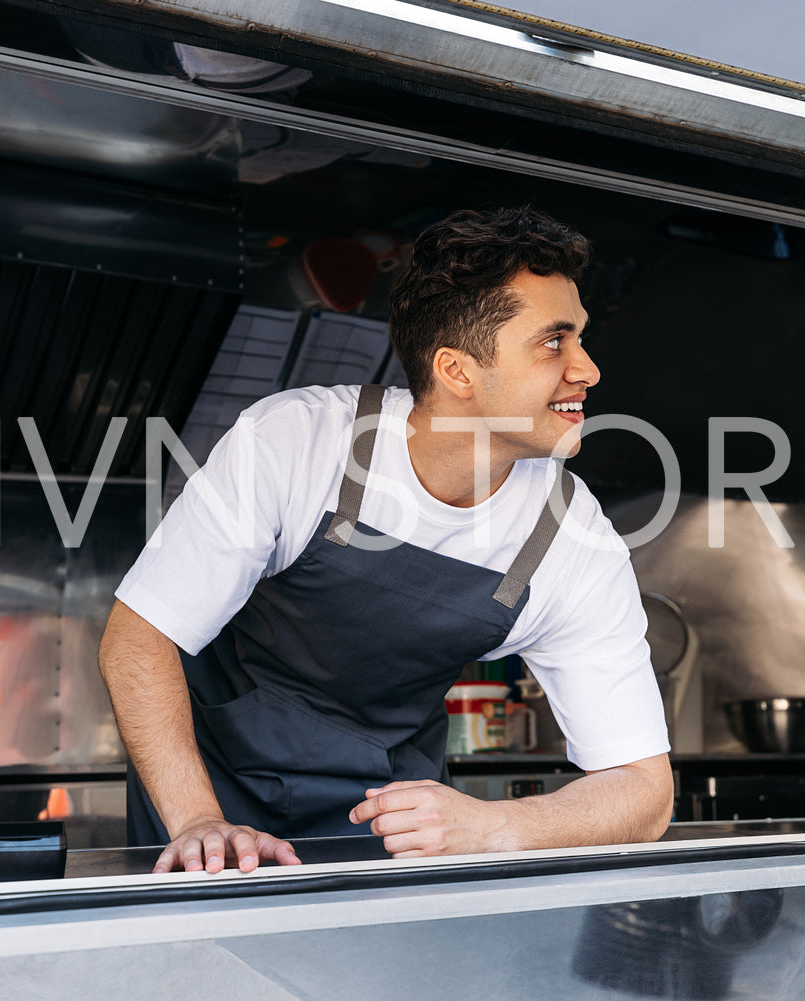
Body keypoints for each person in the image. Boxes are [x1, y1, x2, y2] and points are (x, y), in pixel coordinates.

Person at [98, 206, 672, 874]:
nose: (588, 369)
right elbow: (138, 637)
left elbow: (644, 788)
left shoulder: (570, 536)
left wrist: (494, 827)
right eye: (555, 341)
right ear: (457, 372)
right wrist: (198, 819)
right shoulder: (300, 443)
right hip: (207, 806)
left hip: (388, 825)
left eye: (581, 339)